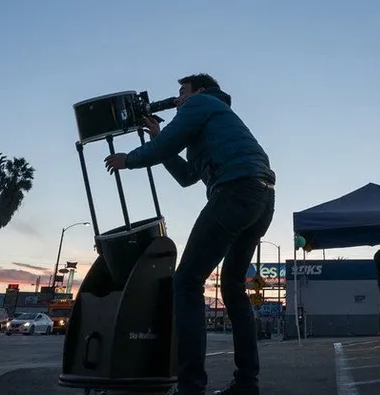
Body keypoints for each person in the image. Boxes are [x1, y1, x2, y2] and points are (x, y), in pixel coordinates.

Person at [105, 73, 276, 395]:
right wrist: (156, 134)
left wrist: (130, 159)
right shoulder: (213, 120)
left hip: (236, 191)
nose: (178, 98)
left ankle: (191, 387)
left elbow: (167, 143)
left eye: (181, 92)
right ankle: (246, 384)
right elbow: (186, 176)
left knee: (186, 282)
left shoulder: (201, 103)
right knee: (233, 288)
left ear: (198, 90)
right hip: (261, 197)